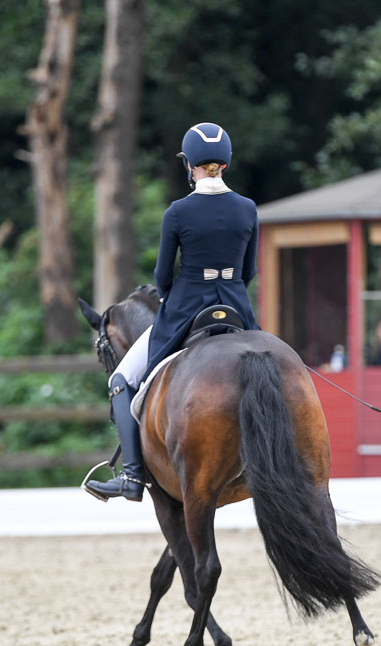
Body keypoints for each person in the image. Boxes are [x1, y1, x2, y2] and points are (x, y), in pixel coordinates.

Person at [87, 122, 260, 502]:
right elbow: (248, 272)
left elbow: (163, 275)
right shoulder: (247, 209)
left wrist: (170, 297)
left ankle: (132, 478)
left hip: (185, 309)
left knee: (120, 379)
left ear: (190, 165)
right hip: (236, 309)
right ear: (224, 164)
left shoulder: (178, 212)